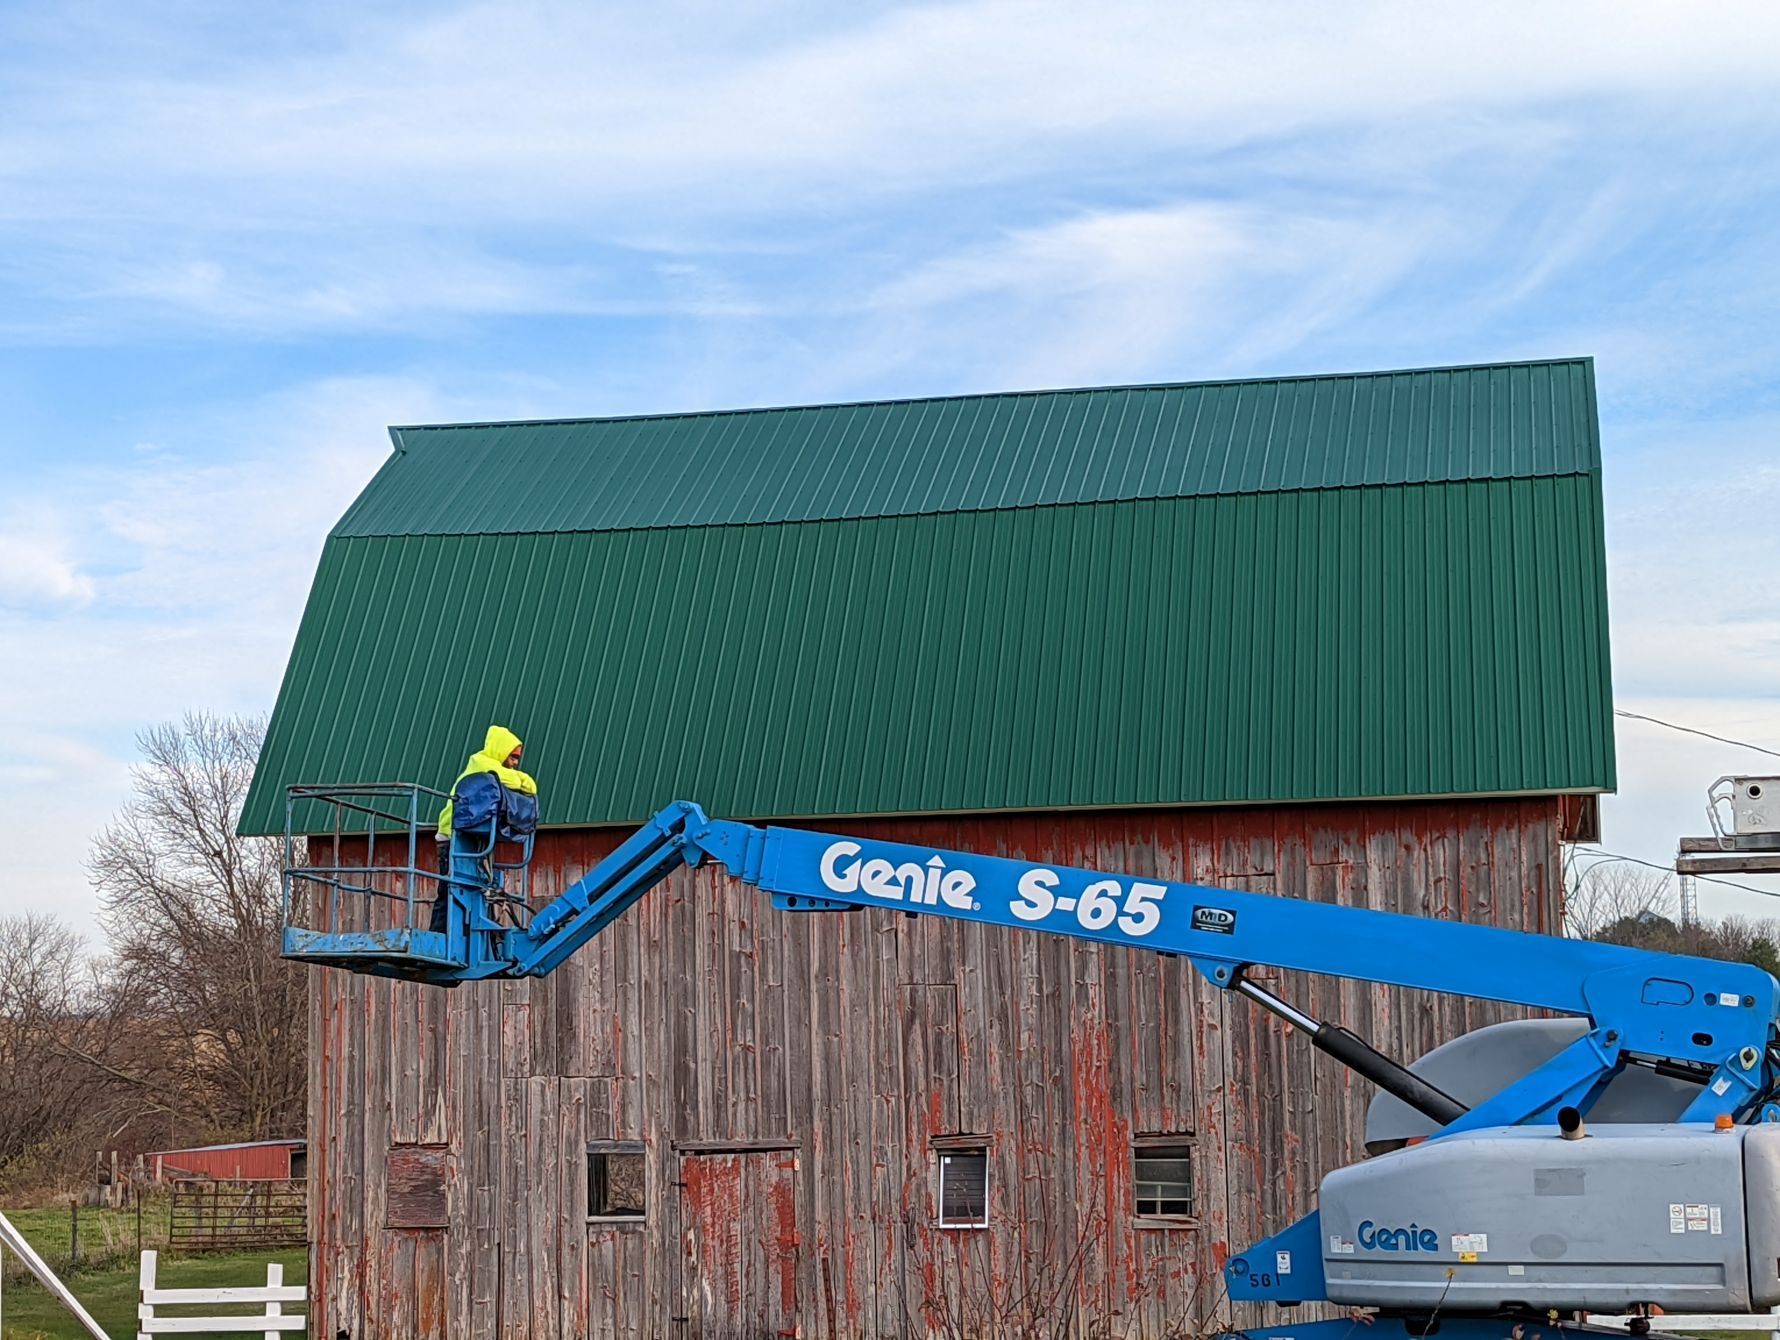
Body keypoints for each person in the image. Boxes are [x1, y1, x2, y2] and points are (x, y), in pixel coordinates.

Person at [429, 725, 539, 935]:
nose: (515, 762)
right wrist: (523, 780)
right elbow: (524, 784)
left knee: (476, 889)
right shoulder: (481, 764)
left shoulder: (494, 770)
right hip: (451, 835)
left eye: (517, 758)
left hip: (470, 838)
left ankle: (475, 935)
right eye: (513, 756)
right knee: (449, 890)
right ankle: (439, 935)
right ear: (501, 750)